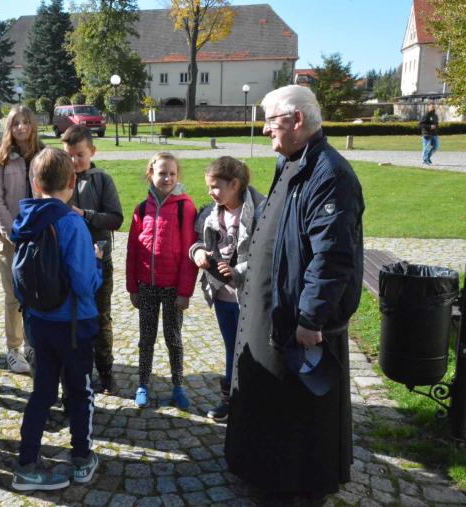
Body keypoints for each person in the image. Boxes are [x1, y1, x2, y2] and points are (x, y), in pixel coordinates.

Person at [224, 85, 364, 502]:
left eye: (271, 120)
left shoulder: (330, 174)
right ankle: (258, 469)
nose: (266, 129)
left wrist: (310, 317)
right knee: (266, 396)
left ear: (296, 120)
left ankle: (291, 486)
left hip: (295, 319)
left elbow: (332, 256)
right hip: (270, 309)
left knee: (296, 409)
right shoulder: (293, 161)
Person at [10, 147, 102, 491]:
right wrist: (97, 263)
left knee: (42, 392)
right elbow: (84, 283)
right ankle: (81, 458)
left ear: (35, 183)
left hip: (38, 321)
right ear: (72, 182)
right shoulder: (71, 222)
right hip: (73, 324)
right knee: (79, 390)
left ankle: (27, 463)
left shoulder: (25, 220)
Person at [188, 156, 263, 422]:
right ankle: (230, 400)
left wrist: (238, 271)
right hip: (221, 294)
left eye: (215, 186)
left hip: (249, 296)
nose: (210, 192)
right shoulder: (211, 213)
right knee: (232, 347)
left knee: (252, 349)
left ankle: (253, 401)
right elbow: (197, 241)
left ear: (235, 184)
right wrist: (198, 253)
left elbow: (267, 254)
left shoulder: (260, 212)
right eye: (209, 187)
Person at [126, 152, 198, 409]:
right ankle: (143, 383)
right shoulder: (141, 209)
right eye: (162, 173)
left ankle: (178, 385)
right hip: (146, 286)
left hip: (173, 289)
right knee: (146, 338)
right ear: (151, 174)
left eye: (172, 173)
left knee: (173, 338)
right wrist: (132, 287)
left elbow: (190, 253)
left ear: (178, 176)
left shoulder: (184, 208)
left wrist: (185, 292)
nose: (167, 178)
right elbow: (133, 251)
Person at [61, 125, 123, 393]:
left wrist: (85, 215)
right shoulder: (59, 181)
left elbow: (116, 219)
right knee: (69, 318)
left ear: (92, 152)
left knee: (100, 317)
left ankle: (106, 370)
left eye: (80, 155)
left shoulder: (102, 180)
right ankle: (77, 370)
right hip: (66, 263)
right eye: (69, 155)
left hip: (98, 261)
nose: (74, 161)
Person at [0, 106, 44, 374]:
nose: (21, 127)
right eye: (16, 123)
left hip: (38, 237)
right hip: (9, 240)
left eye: (26, 122)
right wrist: (13, 233)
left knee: (36, 293)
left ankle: (32, 343)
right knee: (13, 296)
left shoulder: (43, 155)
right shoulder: (0, 159)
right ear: (9, 127)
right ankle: (13, 348)